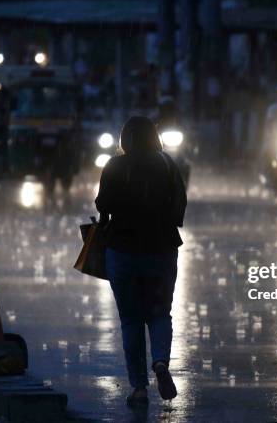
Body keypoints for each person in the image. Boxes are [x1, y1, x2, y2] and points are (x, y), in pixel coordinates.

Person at [95, 116, 187, 407]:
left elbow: (102, 205)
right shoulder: (167, 165)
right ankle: (160, 361)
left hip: (122, 252)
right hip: (161, 250)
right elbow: (179, 206)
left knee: (131, 320)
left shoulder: (114, 165)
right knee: (160, 314)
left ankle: (138, 388)